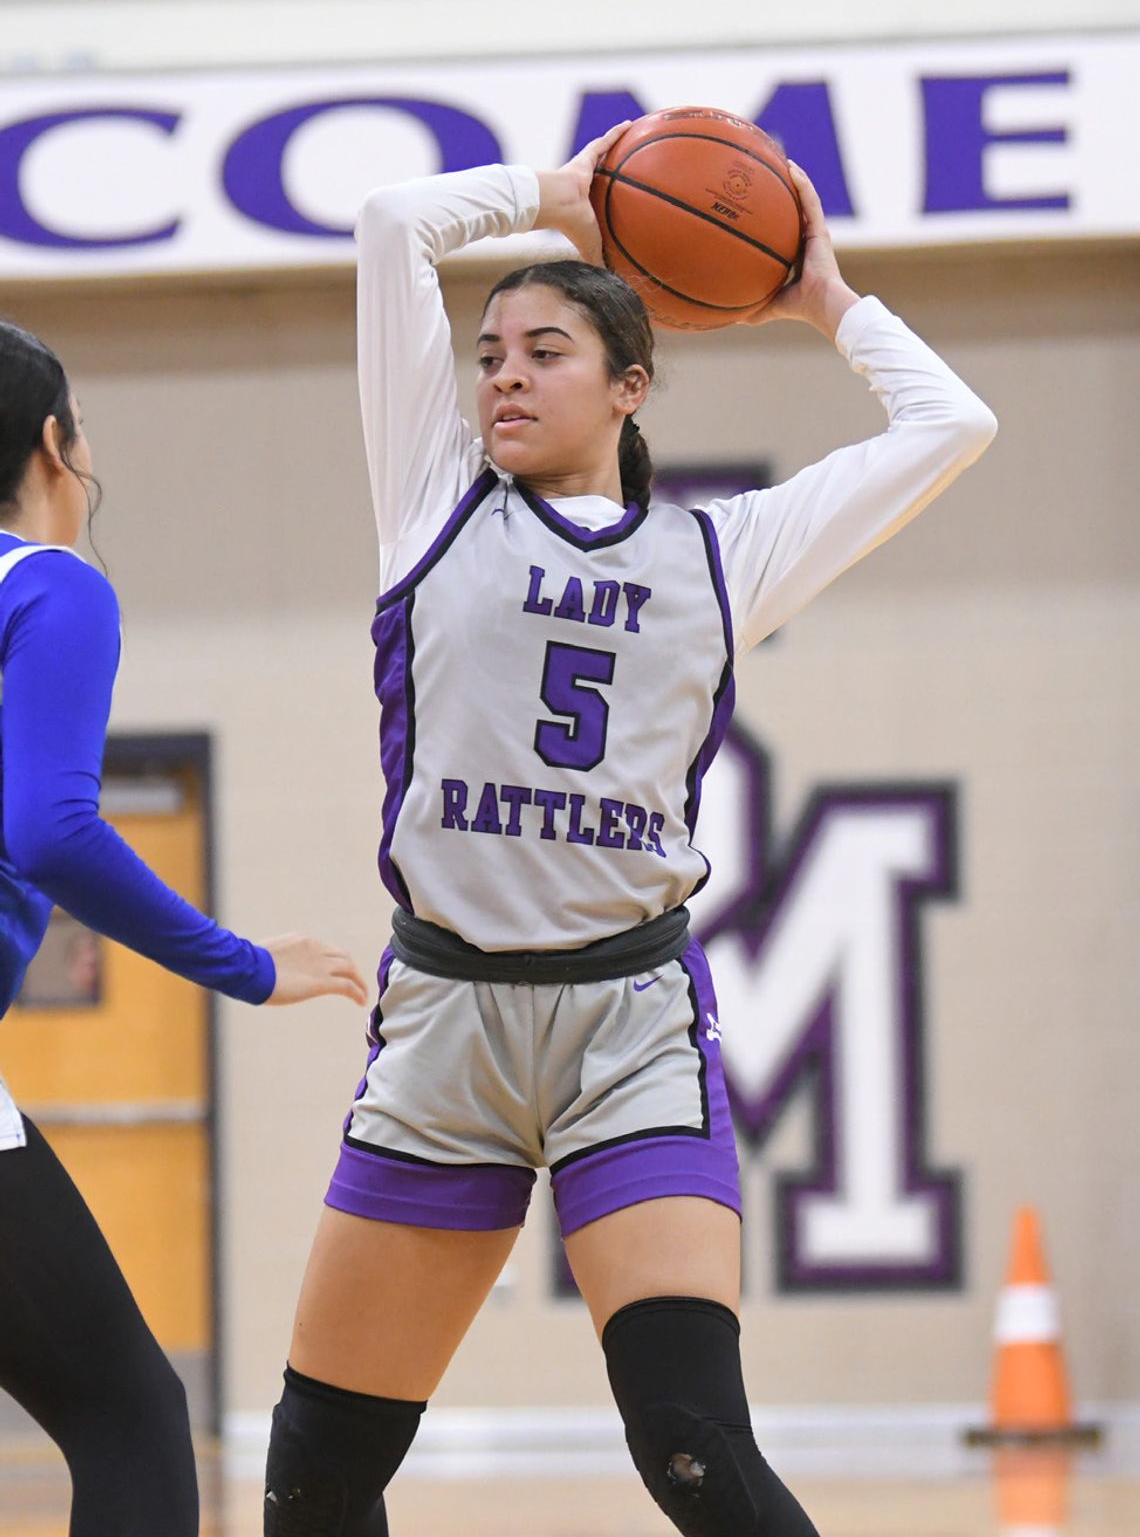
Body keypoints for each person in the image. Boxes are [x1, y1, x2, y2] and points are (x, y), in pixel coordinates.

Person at [263, 122, 997, 1537]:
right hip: (447, 1029)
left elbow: (953, 427)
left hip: (628, 1028)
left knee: (691, 1447)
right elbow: (388, 222)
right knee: (317, 1475)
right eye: (488, 354)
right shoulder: (431, 502)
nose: (504, 376)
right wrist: (571, 193)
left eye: (544, 350)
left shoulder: (723, 556)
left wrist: (823, 292)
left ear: (631, 383)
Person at [0, 319, 369, 1537]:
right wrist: (249, 968)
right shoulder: (52, 585)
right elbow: (52, 829)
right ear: (59, 444)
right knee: (132, 1422)